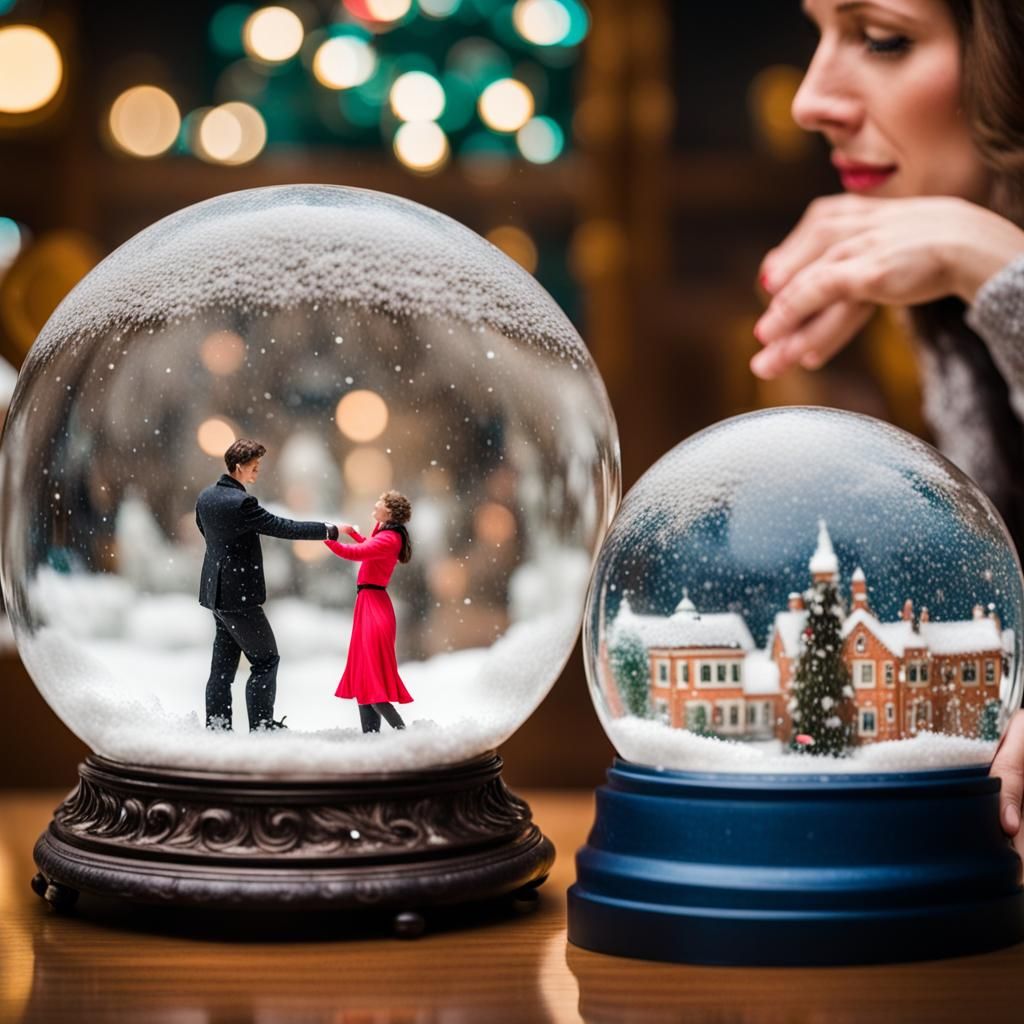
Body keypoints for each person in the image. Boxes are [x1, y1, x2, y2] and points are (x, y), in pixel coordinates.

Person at [748, 0, 1024, 855]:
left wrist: (993, 264)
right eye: (819, 32)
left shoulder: (969, 256)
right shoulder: (940, 291)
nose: (809, 100)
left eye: (882, 39)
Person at [196, 439, 339, 732]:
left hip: (215, 594)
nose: (257, 472)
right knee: (266, 659)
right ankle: (262, 726)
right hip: (239, 597)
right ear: (239, 467)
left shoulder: (206, 497)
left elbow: (204, 531)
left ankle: (217, 725)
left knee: (222, 667)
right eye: (254, 466)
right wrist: (328, 530)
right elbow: (283, 527)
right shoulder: (243, 503)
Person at [325, 490, 413, 733]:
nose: (375, 504)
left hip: (374, 608)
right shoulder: (386, 535)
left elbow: (355, 553)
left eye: (380, 502)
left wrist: (327, 538)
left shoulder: (389, 538)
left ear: (390, 511)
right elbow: (368, 547)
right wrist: (352, 533)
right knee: (365, 680)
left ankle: (402, 733)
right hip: (369, 605)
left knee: (373, 683)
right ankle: (370, 738)